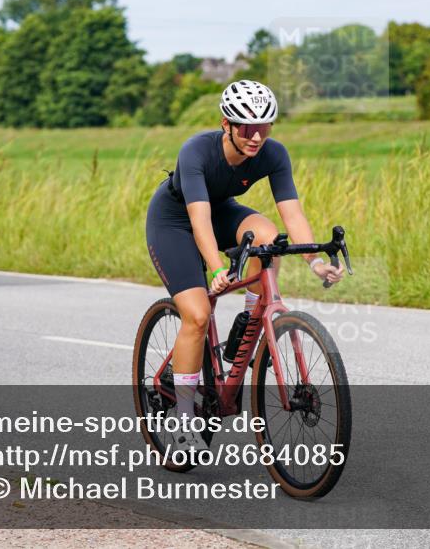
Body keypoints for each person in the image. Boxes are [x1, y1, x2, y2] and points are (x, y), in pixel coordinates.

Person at [145, 80, 344, 453]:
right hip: (175, 221)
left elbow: (292, 213)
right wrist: (218, 269)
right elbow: (199, 222)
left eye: (264, 127)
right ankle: (185, 421)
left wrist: (314, 261)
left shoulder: (273, 153)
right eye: (247, 128)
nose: (256, 137)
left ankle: (248, 329)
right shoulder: (196, 152)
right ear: (227, 124)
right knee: (199, 315)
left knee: (268, 238)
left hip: (220, 213)